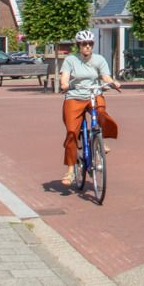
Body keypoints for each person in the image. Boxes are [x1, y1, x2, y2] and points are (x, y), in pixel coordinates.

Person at [59, 29, 120, 186]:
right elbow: (65, 75)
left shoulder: (99, 60)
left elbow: (105, 76)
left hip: (93, 93)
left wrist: (113, 83)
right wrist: (64, 84)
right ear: (78, 45)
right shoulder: (70, 60)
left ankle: (99, 140)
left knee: (101, 112)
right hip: (75, 96)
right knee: (72, 132)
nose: (87, 47)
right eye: (84, 44)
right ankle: (71, 171)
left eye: (90, 44)